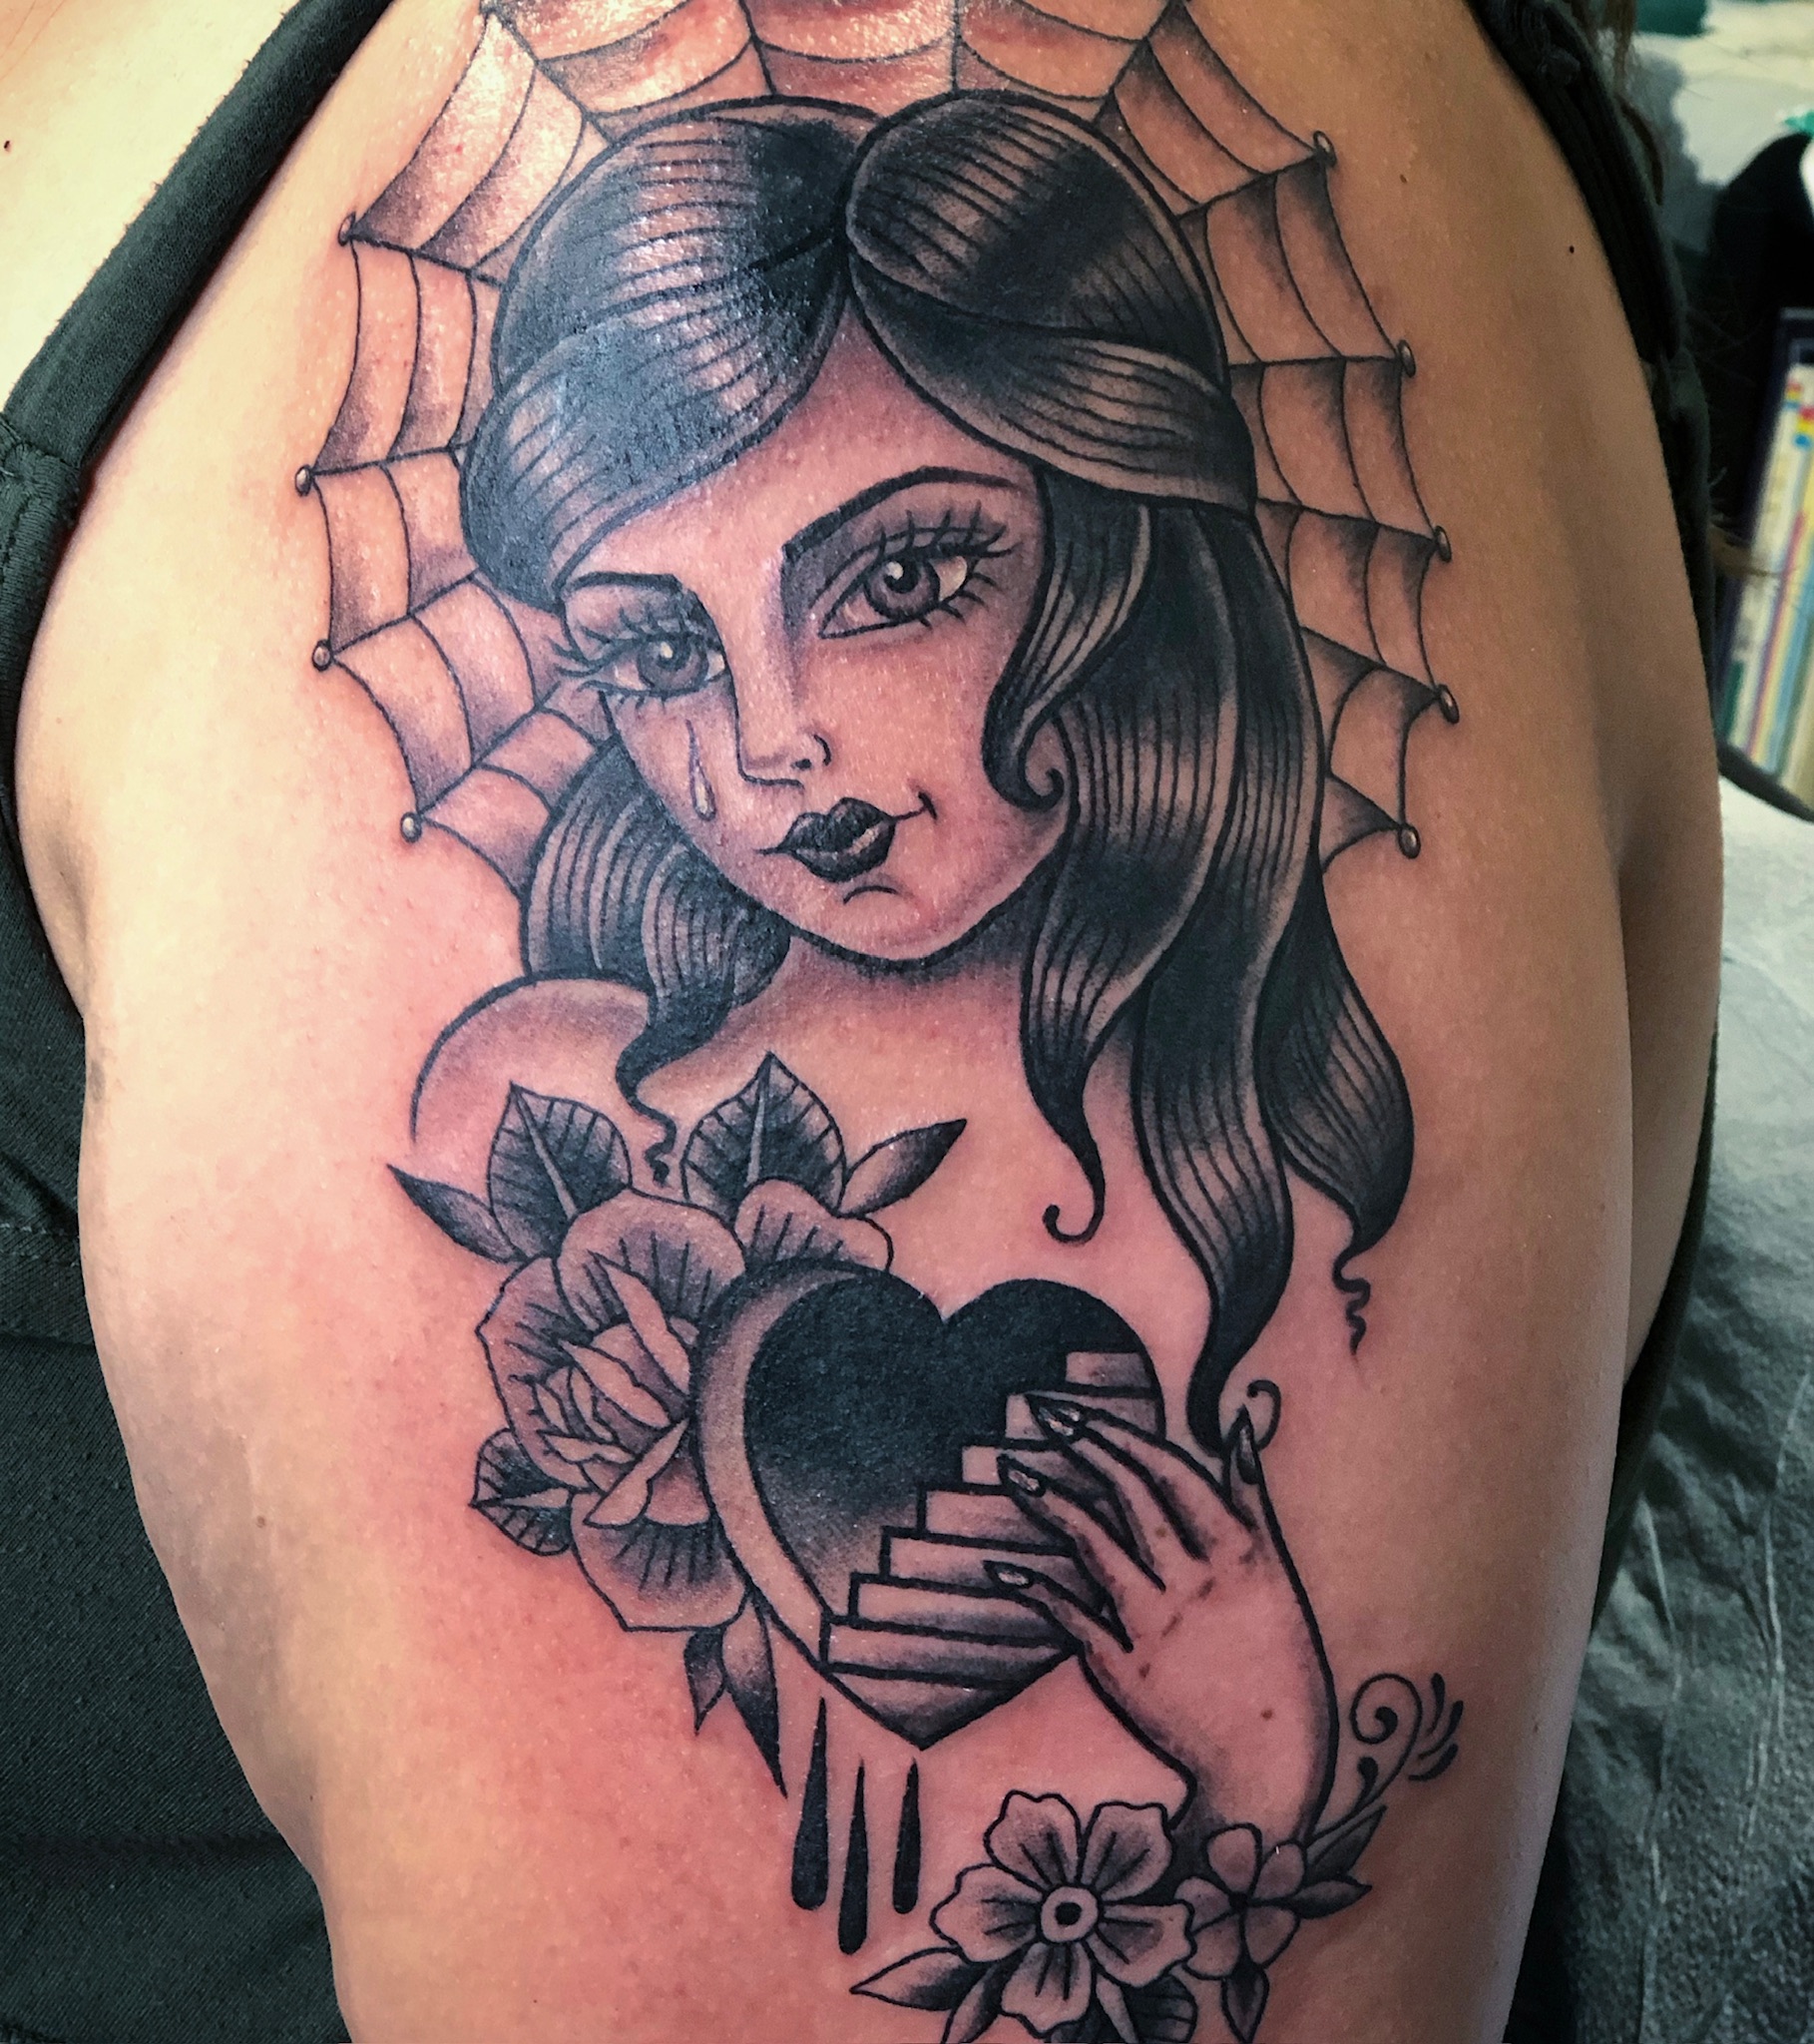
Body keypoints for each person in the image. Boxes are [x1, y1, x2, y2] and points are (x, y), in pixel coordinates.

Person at [1, 1, 1719, 2038]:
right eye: (653, 648)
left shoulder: (1279, 1125)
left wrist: (1258, 1776)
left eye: (901, 575)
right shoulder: (571, 1078)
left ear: (1119, 522)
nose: (768, 745)